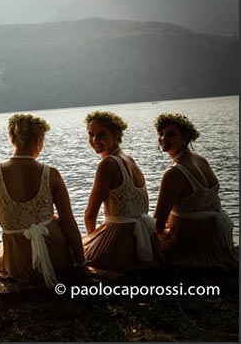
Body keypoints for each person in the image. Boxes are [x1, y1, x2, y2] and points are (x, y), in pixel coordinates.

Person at [0, 113, 87, 287]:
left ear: (11, 138)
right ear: (39, 140)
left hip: (17, 262)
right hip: (55, 257)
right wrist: (81, 263)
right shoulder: (51, 173)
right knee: (57, 221)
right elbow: (69, 223)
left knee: (3, 249)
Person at [153, 113, 237, 269]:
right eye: (161, 133)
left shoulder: (174, 173)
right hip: (216, 239)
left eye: (171, 134)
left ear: (185, 137)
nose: (163, 138)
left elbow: (158, 223)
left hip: (194, 241)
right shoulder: (201, 160)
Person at [82, 110, 160, 271]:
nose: (95, 140)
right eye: (91, 134)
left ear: (116, 134)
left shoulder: (108, 164)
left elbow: (90, 214)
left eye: (102, 134)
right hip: (143, 237)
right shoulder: (130, 160)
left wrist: (94, 240)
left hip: (120, 239)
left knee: (74, 253)